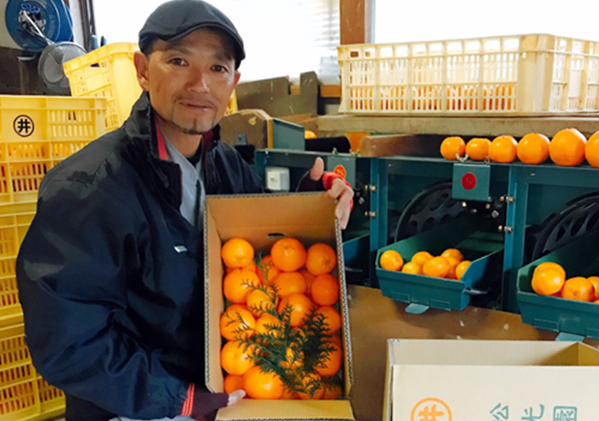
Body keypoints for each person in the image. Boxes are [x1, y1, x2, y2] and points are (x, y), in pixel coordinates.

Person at [15, 1, 353, 421]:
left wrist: (307, 206)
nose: (200, 84)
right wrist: (181, 400)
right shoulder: (90, 189)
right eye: (178, 60)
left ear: (234, 83)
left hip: (223, 387)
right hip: (133, 407)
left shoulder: (225, 164)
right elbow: (68, 344)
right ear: (142, 70)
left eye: (218, 68)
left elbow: (256, 252)